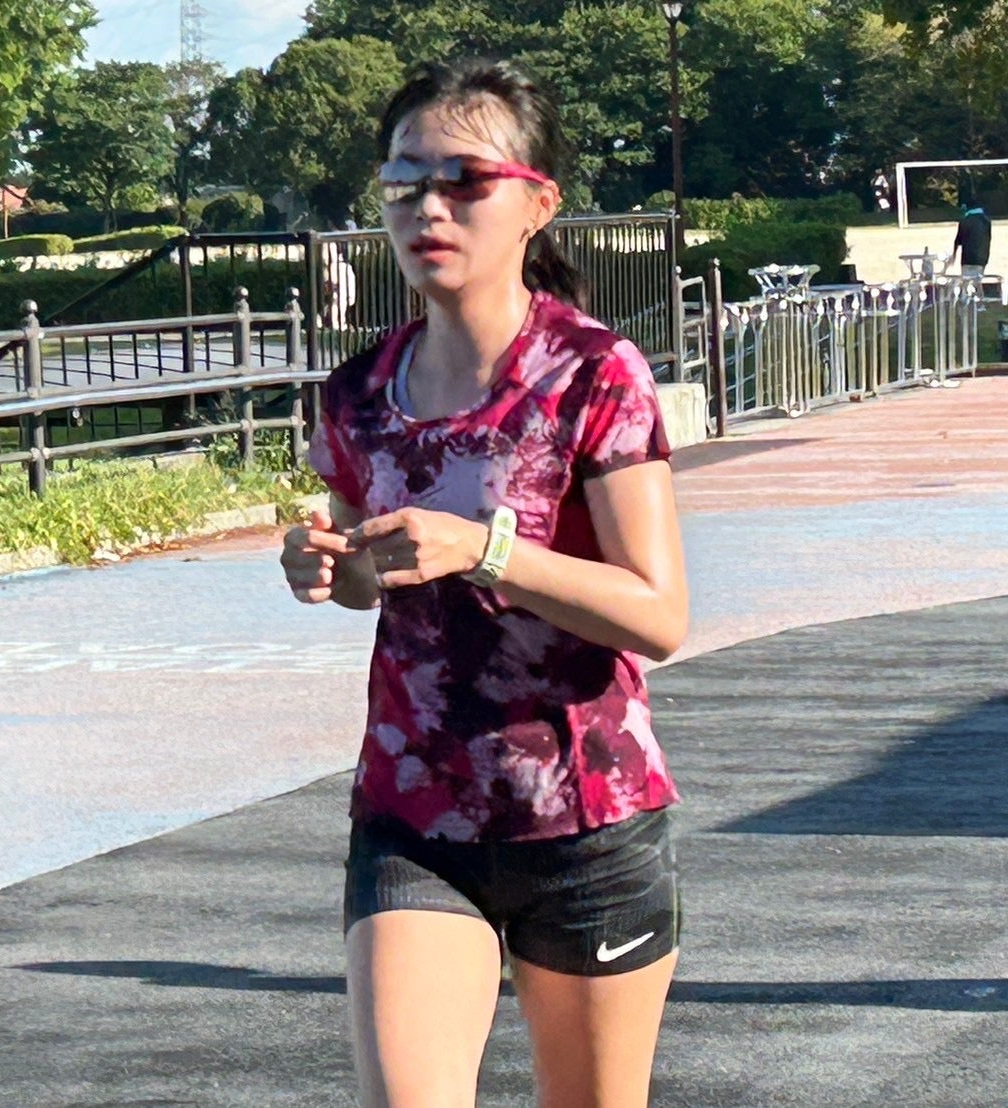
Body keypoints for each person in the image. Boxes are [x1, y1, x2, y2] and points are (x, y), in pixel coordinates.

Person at [280, 57, 689, 1108]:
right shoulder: (357, 393)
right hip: (414, 811)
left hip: (584, 817)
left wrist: (485, 549)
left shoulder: (593, 373)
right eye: (402, 181)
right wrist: (329, 566)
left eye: (464, 180)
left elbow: (658, 614)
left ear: (536, 203)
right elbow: (375, 577)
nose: (428, 207)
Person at [950, 201, 992, 280]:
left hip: (966, 259)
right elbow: (988, 241)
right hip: (980, 259)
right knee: (977, 282)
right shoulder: (986, 221)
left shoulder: (964, 221)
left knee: (965, 281)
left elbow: (958, 240)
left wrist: (954, 255)